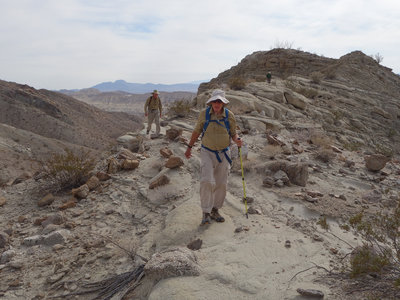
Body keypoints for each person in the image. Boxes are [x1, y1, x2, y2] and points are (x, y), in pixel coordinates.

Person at [185, 89, 243, 225]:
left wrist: (237, 140)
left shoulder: (229, 116)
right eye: (215, 101)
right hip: (207, 152)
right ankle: (206, 212)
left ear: (223, 103)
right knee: (206, 181)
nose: (217, 104)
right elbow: (197, 131)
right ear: (211, 102)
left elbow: (233, 133)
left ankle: (215, 210)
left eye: (220, 101)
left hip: (224, 152)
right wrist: (189, 147)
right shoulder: (204, 115)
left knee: (221, 183)